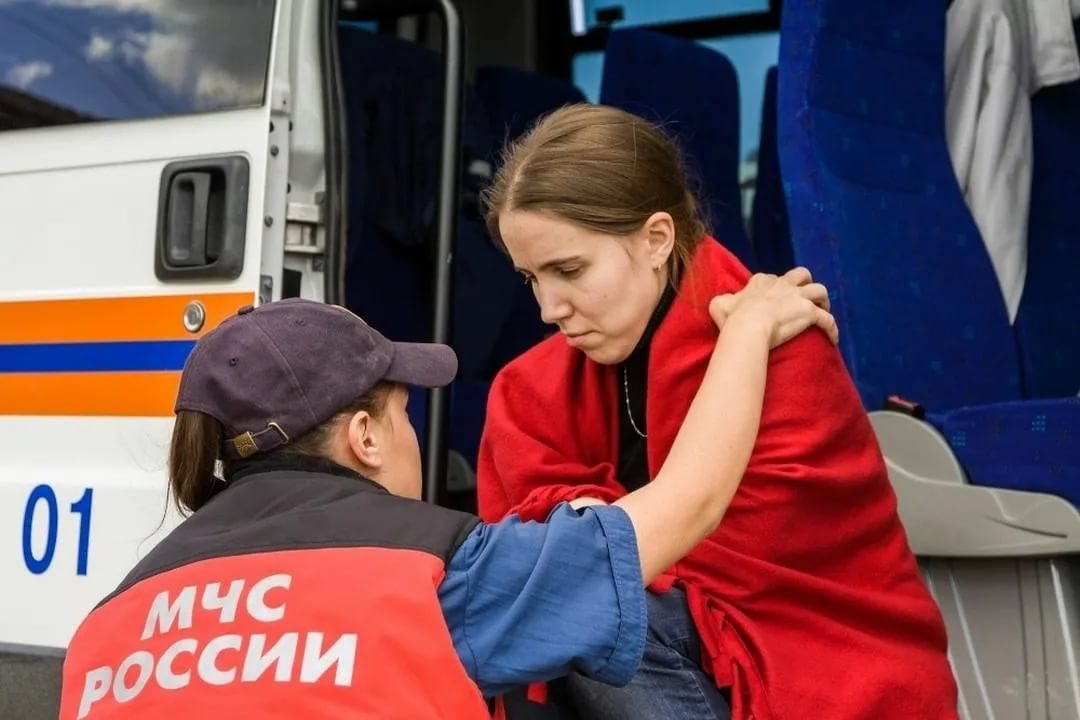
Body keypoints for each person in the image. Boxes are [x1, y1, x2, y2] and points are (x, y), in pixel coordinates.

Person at [58, 284, 835, 720]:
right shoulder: (436, 572)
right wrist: (751, 326)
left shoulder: (107, 623)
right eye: (402, 414)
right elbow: (689, 504)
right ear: (363, 437)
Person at [477, 103, 960, 720]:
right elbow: (528, 556)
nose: (549, 307)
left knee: (590, 609)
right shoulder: (528, 390)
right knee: (530, 623)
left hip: (820, 656)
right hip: (666, 659)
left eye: (569, 270)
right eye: (530, 279)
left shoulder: (787, 349)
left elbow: (747, 557)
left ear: (655, 239)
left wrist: (582, 537)